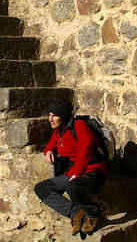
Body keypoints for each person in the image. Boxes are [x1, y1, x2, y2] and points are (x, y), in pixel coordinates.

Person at [34, 100, 107, 238]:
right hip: (74, 172)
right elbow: (52, 143)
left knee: (73, 186)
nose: (50, 119)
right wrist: (48, 150)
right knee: (41, 188)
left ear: (62, 115)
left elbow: (86, 148)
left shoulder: (79, 126)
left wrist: (76, 172)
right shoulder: (59, 130)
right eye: (49, 115)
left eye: (54, 115)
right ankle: (75, 212)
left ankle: (93, 213)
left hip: (93, 171)